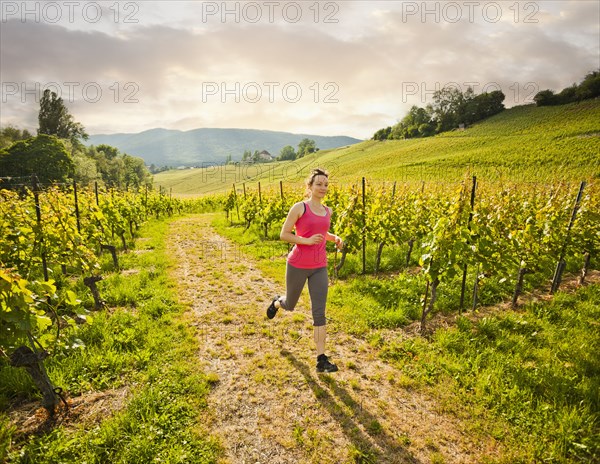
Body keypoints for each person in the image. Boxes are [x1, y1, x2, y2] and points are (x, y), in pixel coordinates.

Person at [266, 168, 343, 373]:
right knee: (290, 304)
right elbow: (284, 234)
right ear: (309, 186)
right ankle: (276, 302)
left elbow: (322, 232)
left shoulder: (328, 211)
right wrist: (306, 241)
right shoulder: (300, 208)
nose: (323, 188)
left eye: (326, 184)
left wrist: (334, 238)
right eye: (319, 184)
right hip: (297, 265)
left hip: (319, 267)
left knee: (319, 313)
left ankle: (321, 359)